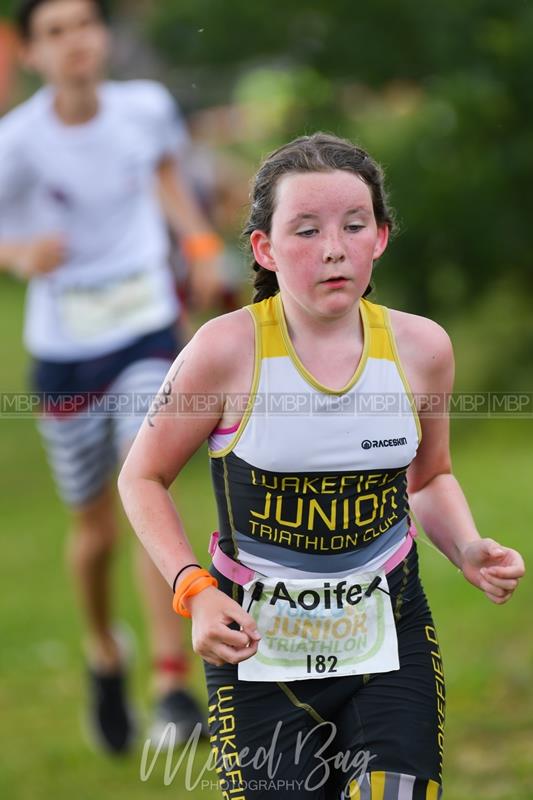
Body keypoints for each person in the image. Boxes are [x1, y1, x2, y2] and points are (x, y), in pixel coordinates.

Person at [117, 132, 525, 797]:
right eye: (305, 231)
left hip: (387, 638)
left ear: (380, 237)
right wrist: (192, 590)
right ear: (264, 249)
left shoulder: (421, 349)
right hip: (256, 651)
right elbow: (141, 476)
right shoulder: (225, 350)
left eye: (353, 225)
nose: (333, 247)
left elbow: (430, 477)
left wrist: (468, 546)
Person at [0, 0, 224, 755]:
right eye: (54, 32)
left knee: (145, 483)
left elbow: (164, 171)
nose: (74, 43)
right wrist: (18, 255)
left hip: (146, 330)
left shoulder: (145, 107)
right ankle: (104, 652)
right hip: (66, 351)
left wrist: (195, 241)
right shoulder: (18, 141)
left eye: (83, 26)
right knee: (92, 532)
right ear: (32, 52)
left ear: (103, 36)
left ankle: (170, 685)